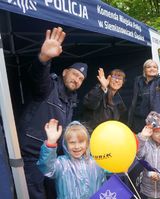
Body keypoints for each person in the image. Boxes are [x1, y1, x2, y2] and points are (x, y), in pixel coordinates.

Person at [17, 27, 88, 199]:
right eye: (75, 74)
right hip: (32, 156)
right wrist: (44, 58)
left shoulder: (72, 100)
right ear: (65, 72)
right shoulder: (50, 86)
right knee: (36, 195)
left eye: (80, 79)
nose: (77, 80)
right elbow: (37, 76)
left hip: (51, 158)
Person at [37, 119, 106, 199]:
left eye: (81, 142)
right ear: (66, 144)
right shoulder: (61, 164)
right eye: (72, 142)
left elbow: (103, 187)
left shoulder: (95, 163)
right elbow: (46, 167)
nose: (77, 146)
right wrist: (51, 143)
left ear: (87, 143)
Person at [128, 52, 160, 133]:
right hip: (138, 119)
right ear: (144, 70)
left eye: (154, 67)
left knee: (154, 141)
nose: (152, 69)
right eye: (149, 67)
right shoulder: (138, 80)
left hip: (155, 118)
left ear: (157, 70)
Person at [136, 111, 160, 199]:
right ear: (150, 133)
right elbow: (138, 155)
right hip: (147, 190)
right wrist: (142, 137)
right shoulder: (146, 144)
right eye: (157, 132)